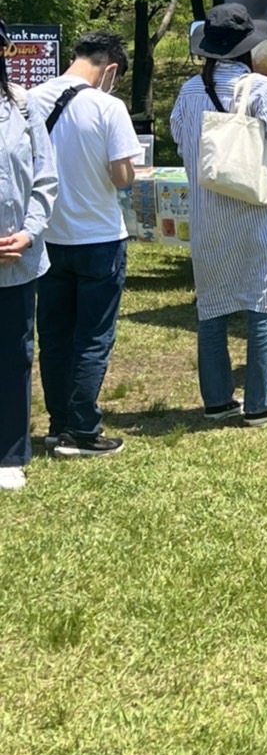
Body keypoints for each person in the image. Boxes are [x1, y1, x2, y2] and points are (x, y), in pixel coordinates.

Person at [171, 3, 267, 426]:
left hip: (208, 216)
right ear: (247, 46)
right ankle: (258, 403)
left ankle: (217, 400)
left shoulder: (189, 91)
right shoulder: (261, 88)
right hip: (256, 212)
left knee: (212, 308)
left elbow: (180, 139)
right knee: (260, 306)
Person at [29, 30, 142, 457]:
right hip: (98, 236)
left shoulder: (31, 100)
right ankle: (82, 430)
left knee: (54, 335)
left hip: (47, 236)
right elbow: (121, 177)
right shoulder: (109, 107)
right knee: (93, 336)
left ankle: (58, 423)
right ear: (110, 69)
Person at [0, 20, 57, 490]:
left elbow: (45, 178)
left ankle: (10, 452)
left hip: (16, 259)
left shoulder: (23, 105)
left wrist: (28, 233)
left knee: (14, 353)